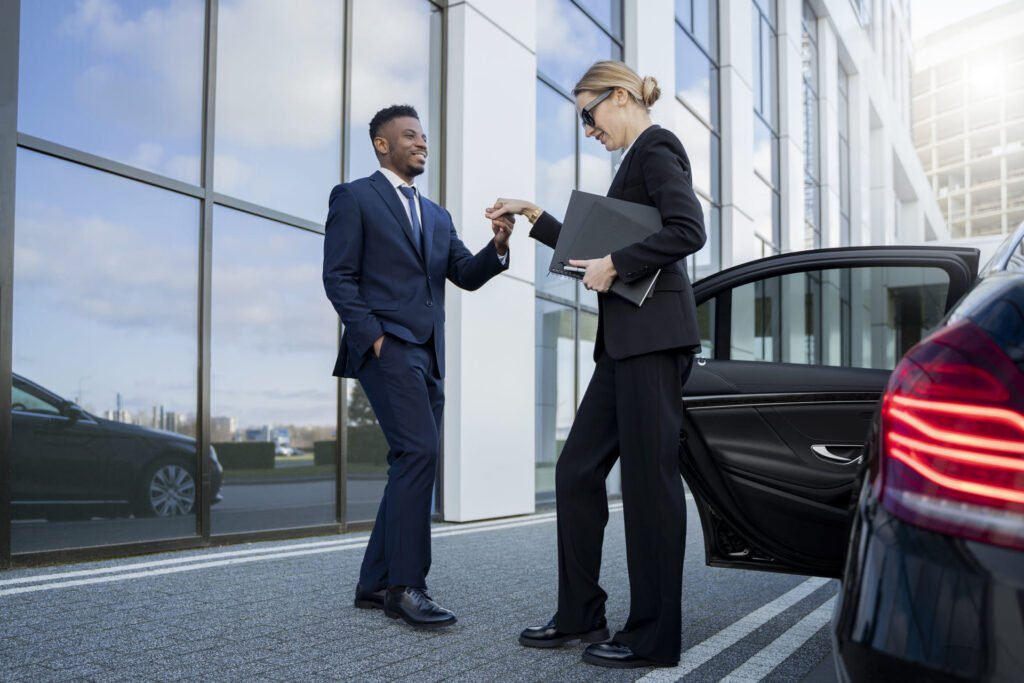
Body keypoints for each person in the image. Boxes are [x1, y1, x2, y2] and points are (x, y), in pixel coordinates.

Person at [486, 61, 706, 668]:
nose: (587, 129)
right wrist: (537, 217)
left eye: (588, 114)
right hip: (622, 348)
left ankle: (654, 637)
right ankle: (581, 612)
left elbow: (690, 229)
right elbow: (594, 252)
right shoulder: (632, 163)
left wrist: (620, 262)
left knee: (648, 489)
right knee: (576, 472)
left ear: (618, 97)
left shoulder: (656, 147)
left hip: (653, 343)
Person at [323, 104, 514, 628]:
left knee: (409, 458)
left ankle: (374, 582)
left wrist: (497, 247)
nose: (421, 142)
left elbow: (465, 274)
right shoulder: (355, 197)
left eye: (423, 136)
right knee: (420, 450)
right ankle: (407, 587)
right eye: (409, 135)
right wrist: (376, 340)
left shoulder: (437, 215)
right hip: (387, 348)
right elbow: (338, 277)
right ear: (382, 145)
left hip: (429, 353)